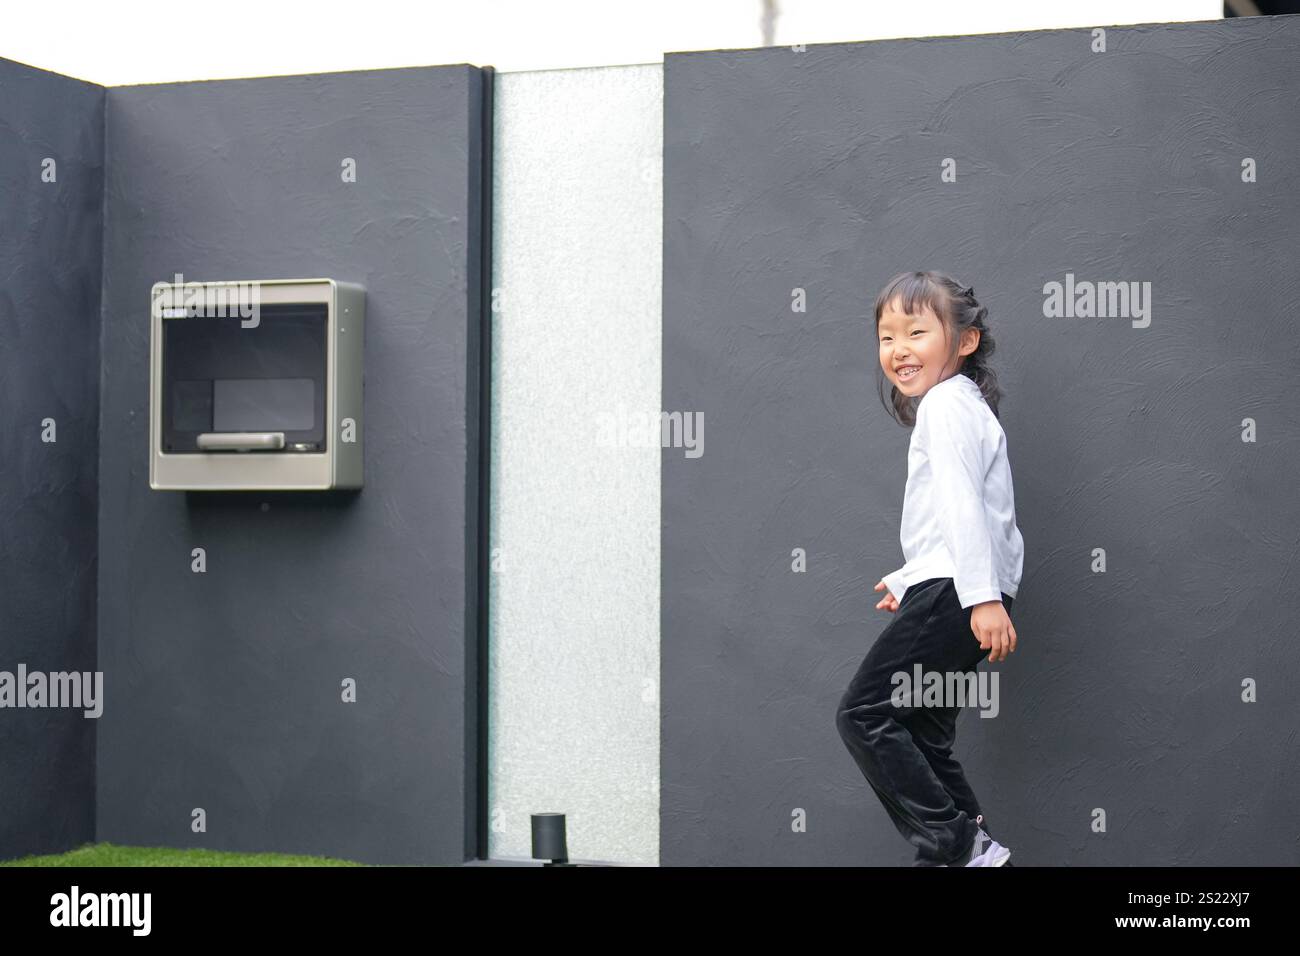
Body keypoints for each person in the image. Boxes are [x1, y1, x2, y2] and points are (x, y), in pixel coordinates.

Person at [835, 270, 1025, 867]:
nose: (898, 349)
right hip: (959, 586)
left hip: (963, 592)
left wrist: (978, 598)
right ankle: (978, 854)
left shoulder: (945, 406)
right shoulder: (960, 406)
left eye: (917, 332)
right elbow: (965, 519)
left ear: (965, 342)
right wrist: (910, 580)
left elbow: (966, 508)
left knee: (864, 713)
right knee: (921, 732)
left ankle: (953, 843)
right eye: (887, 337)